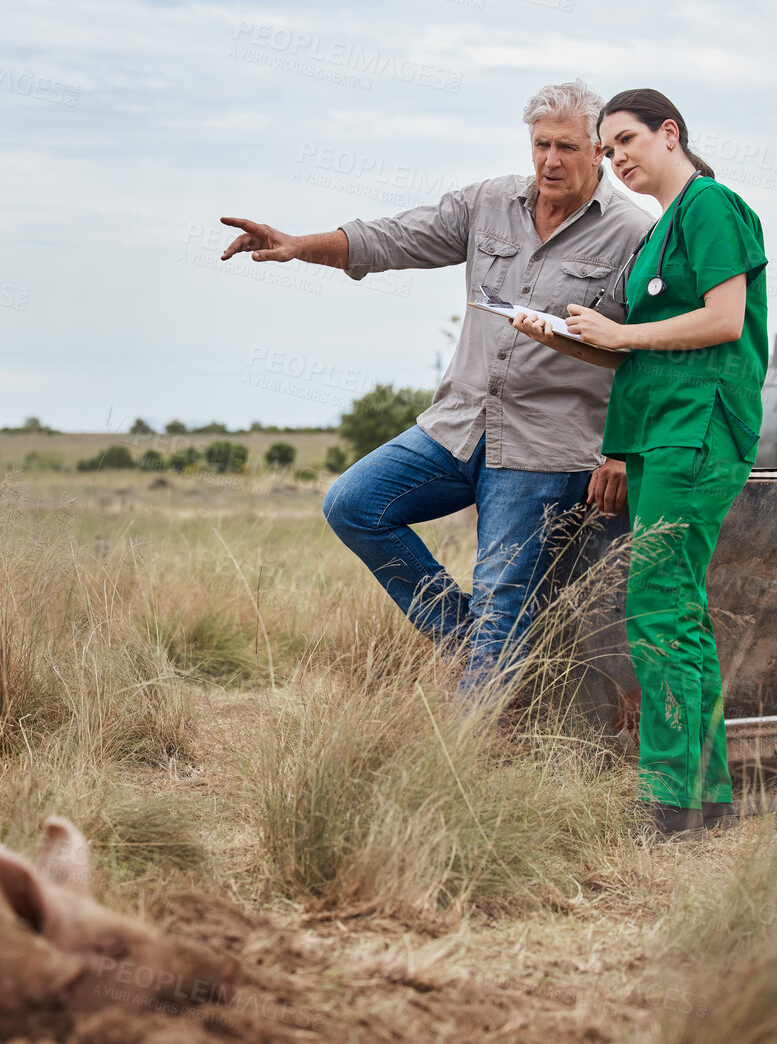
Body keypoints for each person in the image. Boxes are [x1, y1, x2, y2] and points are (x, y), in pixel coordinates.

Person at [220, 81, 651, 692]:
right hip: (456, 428)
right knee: (353, 505)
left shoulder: (635, 232)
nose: (551, 160)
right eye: (541, 145)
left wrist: (622, 450)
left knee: (503, 602)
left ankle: (469, 760)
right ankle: (466, 637)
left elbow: (645, 354)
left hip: (544, 451)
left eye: (568, 148)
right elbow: (393, 237)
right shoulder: (489, 202)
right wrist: (297, 245)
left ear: (600, 152)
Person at [511, 88, 768, 834]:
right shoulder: (660, 231)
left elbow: (723, 319)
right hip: (657, 433)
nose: (615, 156)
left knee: (656, 608)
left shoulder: (711, 206)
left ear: (669, 133)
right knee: (679, 610)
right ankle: (704, 796)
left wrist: (620, 338)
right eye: (608, 147)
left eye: (625, 139)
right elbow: (638, 346)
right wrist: (563, 335)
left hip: (697, 432)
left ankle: (665, 798)